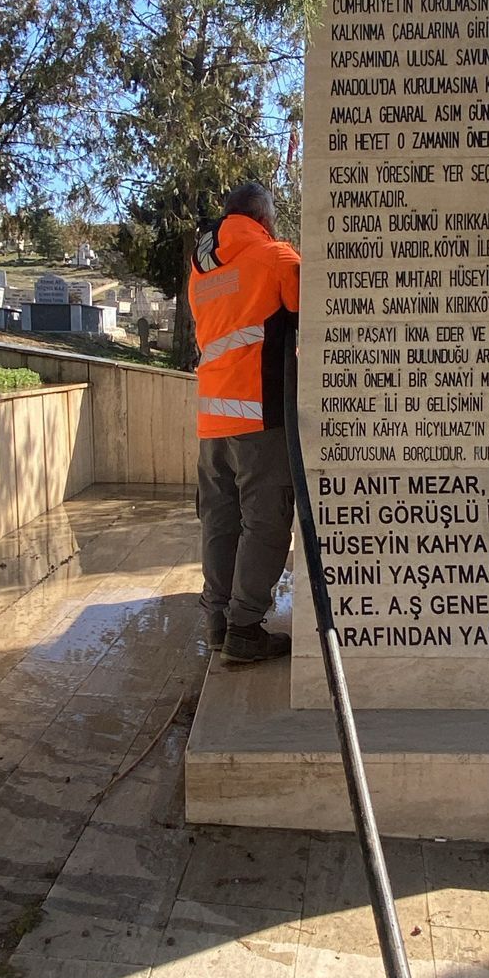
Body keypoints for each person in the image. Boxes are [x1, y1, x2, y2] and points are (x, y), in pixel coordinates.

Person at [189, 182, 300, 666]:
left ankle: (217, 622)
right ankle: (245, 629)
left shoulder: (202, 271)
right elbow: (317, 313)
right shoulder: (275, 257)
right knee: (267, 522)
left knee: (220, 520)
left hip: (212, 418)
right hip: (259, 414)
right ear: (263, 217)